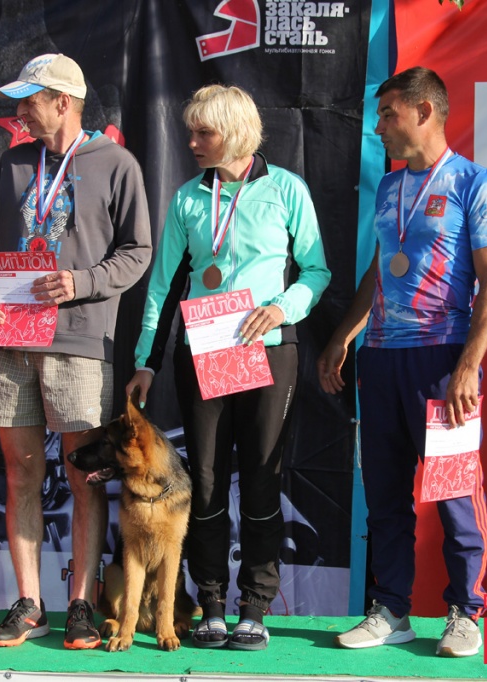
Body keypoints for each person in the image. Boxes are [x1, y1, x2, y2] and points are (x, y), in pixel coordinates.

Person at [127, 85, 330, 651]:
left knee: (263, 478)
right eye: (190, 132)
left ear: (235, 133)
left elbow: (316, 271)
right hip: (206, 350)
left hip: (267, 349)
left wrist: (281, 308)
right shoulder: (189, 198)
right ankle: (211, 603)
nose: (192, 143)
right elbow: (163, 287)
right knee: (208, 480)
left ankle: (255, 607)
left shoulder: (286, 189)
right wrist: (146, 362)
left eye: (204, 133)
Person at [318, 66, 487, 657]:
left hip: (442, 360)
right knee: (384, 495)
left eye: (388, 114)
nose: (378, 127)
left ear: (425, 112)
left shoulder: (477, 184)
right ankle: (391, 609)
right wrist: (344, 336)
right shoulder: (388, 188)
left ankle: (466, 612)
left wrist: (467, 366)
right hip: (381, 359)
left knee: (455, 493)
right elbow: (380, 270)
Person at [0, 53, 151, 650]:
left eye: (29, 102)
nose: (20, 113)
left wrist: (81, 282)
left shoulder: (116, 163)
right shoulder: (13, 162)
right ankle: (29, 604)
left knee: (83, 475)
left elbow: (138, 252)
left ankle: (81, 603)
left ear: (62, 102)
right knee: (21, 470)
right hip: (12, 339)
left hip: (78, 340)